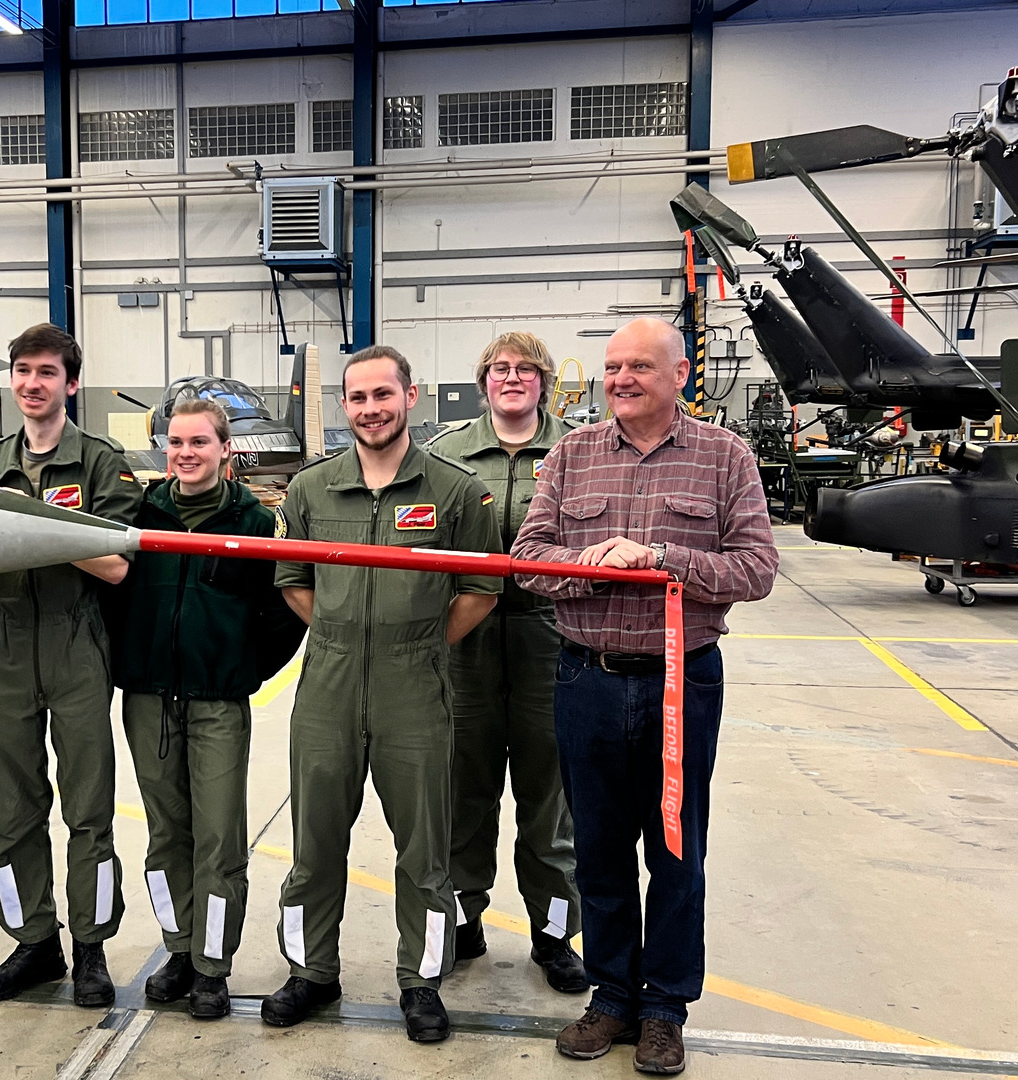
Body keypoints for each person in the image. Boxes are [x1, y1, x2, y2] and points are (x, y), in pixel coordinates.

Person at [513, 317, 777, 1074]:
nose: (621, 379)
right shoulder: (572, 454)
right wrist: (594, 568)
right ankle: (611, 997)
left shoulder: (725, 456)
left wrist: (661, 558)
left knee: (675, 851)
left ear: (680, 375)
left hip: (679, 681)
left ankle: (664, 1008)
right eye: (613, 367)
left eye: (639, 367)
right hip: (587, 678)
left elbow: (757, 569)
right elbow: (528, 560)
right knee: (598, 851)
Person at [266, 345, 503, 1044]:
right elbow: (293, 582)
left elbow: (482, 589)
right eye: (358, 397)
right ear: (344, 405)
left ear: (410, 396)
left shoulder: (456, 492)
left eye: (382, 394)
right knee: (314, 841)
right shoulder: (310, 490)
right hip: (328, 686)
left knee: (423, 848)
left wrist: (420, 643)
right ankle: (312, 970)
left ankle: (420, 980)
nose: (371, 409)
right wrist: (340, 633)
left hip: (414, 687)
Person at [109, 399, 306, 1020]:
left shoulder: (255, 522)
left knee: (219, 840)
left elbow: (284, 612)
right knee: (166, 836)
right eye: (176, 442)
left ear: (225, 450)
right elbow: (111, 595)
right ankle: (179, 950)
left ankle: (212, 967)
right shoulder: (140, 515)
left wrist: (243, 669)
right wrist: (130, 662)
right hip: (148, 700)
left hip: (218, 703)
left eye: (199, 442)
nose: (186, 453)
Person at [0, 323, 143, 1009]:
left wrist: (33, 522)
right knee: (10, 807)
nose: (32, 383)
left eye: (46, 372)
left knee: (88, 809)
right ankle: (34, 942)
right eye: (23, 371)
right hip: (7, 646)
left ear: (71, 384)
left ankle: (91, 949)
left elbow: (116, 565)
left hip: (77, 647)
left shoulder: (100, 463)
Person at [426, 331, 586, 993]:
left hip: (553, 637)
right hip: (467, 638)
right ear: (483, 381)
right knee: (464, 787)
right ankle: (464, 920)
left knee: (550, 796)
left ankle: (554, 932)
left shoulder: (581, 449)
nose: (512, 378)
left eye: (525, 369)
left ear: (544, 381)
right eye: (499, 368)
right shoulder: (445, 452)